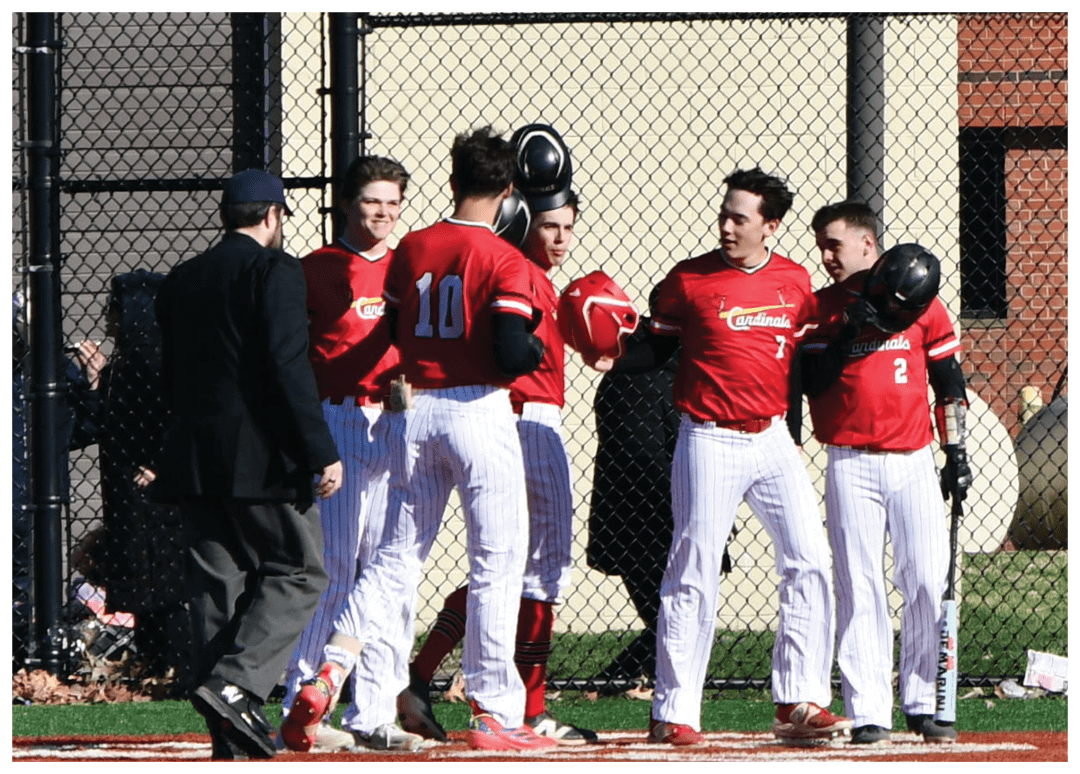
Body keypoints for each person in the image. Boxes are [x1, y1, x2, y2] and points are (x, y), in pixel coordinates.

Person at [283, 126, 558, 753]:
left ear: (453, 180)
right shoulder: (505, 257)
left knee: (393, 558)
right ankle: (493, 709)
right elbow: (512, 351)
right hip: (476, 409)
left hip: (418, 413)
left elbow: (402, 326)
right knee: (497, 558)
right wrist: (537, 343)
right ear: (510, 190)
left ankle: (331, 672)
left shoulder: (412, 247)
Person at [592, 167, 851, 746]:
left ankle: (799, 701)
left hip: (772, 440)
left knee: (808, 558)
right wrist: (612, 357)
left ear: (771, 226)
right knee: (694, 566)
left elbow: (806, 366)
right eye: (725, 213)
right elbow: (655, 345)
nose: (727, 225)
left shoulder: (794, 283)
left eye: (741, 217)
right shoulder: (689, 280)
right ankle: (674, 710)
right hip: (707, 436)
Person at [154, 169, 342, 760]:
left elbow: (173, 375)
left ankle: (227, 733)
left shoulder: (183, 279)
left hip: (195, 453)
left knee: (219, 583)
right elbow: (288, 365)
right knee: (299, 570)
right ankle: (235, 684)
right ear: (274, 217)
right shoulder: (275, 270)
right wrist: (320, 449)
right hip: (260, 455)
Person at [397, 190, 598, 745]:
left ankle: (418, 672)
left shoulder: (514, 272)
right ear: (519, 221)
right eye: (549, 226)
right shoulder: (517, 271)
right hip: (527, 421)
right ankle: (528, 707)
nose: (559, 238)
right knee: (540, 568)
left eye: (567, 228)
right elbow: (516, 350)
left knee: (497, 566)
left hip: (485, 419)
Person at [802, 200, 969, 745]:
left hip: (913, 457)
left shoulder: (919, 299)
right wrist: (850, 332)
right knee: (860, 584)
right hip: (850, 458)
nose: (826, 255)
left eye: (834, 244)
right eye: (821, 245)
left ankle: (924, 701)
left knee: (924, 577)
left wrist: (957, 454)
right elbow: (813, 381)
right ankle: (869, 707)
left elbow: (949, 384)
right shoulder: (824, 307)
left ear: (867, 245)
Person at [278, 155, 413, 752]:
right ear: (347, 204)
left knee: (391, 570)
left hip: (398, 419)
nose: (382, 213)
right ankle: (302, 699)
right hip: (339, 417)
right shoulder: (318, 269)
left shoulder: (410, 267)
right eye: (371, 201)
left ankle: (375, 709)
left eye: (392, 202)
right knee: (335, 566)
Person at [92, 270, 192, 688]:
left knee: (163, 585)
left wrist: (162, 464)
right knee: (143, 584)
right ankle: (155, 664)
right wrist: (98, 380)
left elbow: (178, 416)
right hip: (133, 492)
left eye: (115, 308)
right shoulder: (131, 357)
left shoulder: (154, 357)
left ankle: (177, 667)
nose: (108, 317)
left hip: (156, 493)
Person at [585, 286, 680, 687]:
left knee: (673, 610)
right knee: (670, 610)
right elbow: (641, 456)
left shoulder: (656, 364)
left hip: (644, 512)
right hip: (648, 513)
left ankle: (623, 674)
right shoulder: (643, 371)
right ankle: (625, 675)